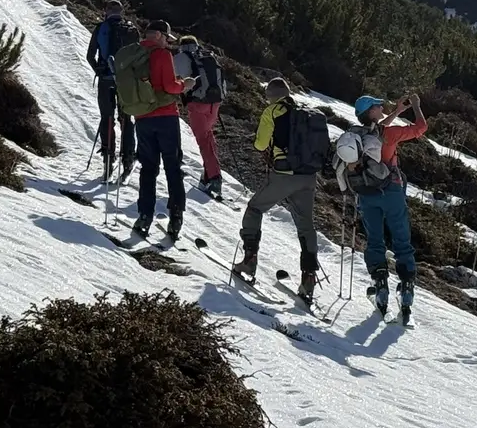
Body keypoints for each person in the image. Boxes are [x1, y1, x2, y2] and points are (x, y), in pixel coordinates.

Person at [337, 93, 428, 322]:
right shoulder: (389, 134)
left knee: (375, 240)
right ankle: (406, 290)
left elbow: (378, 128)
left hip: (367, 195)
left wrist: (398, 111)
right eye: (378, 106)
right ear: (371, 111)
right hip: (392, 192)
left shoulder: (358, 135)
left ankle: (381, 288)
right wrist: (416, 106)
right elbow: (420, 128)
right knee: (401, 240)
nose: (381, 108)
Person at [234, 78, 328, 302]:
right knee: (306, 225)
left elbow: (260, 144)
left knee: (255, 209)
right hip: (308, 176)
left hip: (284, 175)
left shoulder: (272, 111)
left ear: (270, 96)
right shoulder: (306, 112)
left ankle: (249, 260)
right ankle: (308, 278)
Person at [129, 20, 191, 241]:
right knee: (173, 166)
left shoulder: (133, 54)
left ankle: (144, 216)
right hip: (165, 116)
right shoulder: (162, 55)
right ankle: (176, 218)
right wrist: (185, 85)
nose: (168, 42)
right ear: (160, 36)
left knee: (148, 168)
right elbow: (169, 86)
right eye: (167, 38)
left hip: (142, 118)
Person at [86, 1, 138, 181]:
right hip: (126, 82)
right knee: (126, 119)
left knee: (106, 117)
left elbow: (90, 55)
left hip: (106, 79)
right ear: (121, 12)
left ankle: (108, 158)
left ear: (106, 12)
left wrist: (99, 70)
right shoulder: (131, 29)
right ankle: (128, 158)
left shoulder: (101, 28)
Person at [175, 34, 226, 200]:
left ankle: (214, 177)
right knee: (208, 137)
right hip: (214, 103)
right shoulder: (207, 57)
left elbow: (178, 81)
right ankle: (207, 177)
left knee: (203, 140)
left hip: (197, 103)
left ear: (182, 45)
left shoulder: (182, 57)